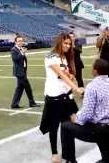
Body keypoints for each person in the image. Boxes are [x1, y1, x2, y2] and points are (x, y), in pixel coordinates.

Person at [61, 58, 109, 163]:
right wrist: (87, 93)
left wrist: (77, 119)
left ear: (95, 70)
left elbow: (87, 113)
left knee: (66, 127)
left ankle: (70, 160)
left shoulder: (92, 86)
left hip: (98, 130)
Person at [39, 32, 84, 163]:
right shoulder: (50, 56)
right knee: (54, 126)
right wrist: (76, 88)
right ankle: (54, 154)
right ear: (59, 42)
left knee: (70, 124)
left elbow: (66, 75)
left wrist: (71, 77)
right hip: (54, 97)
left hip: (66, 95)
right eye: (65, 43)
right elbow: (60, 75)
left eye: (69, 44)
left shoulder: (64, 57)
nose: (68, 46)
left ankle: (69, 156)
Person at [10, 35, 39, 109]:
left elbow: (22, 60)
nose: (21, 42)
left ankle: (14, 104)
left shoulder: (20, 49)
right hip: (19, 73)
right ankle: (31, 102)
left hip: (22, 72)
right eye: (19, 41)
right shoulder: (14, 49)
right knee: (28, 88)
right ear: (15, 42)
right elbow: (15, 59)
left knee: (19, 89)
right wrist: (22, 53)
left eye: (21, 41)